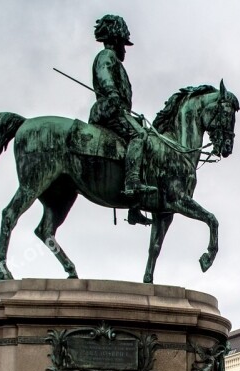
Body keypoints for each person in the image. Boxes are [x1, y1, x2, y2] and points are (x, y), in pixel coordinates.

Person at [88, 14, 156, 226]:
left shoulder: (113, 58)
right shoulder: (106, 56)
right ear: (116, 40)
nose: (125, 50)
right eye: (123, 45)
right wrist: (112, 93)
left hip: (118, 109)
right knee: (139, 135)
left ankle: (134, 207)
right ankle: (132, 183)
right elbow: (104, 75)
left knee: (144, 141)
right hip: (108, 108)